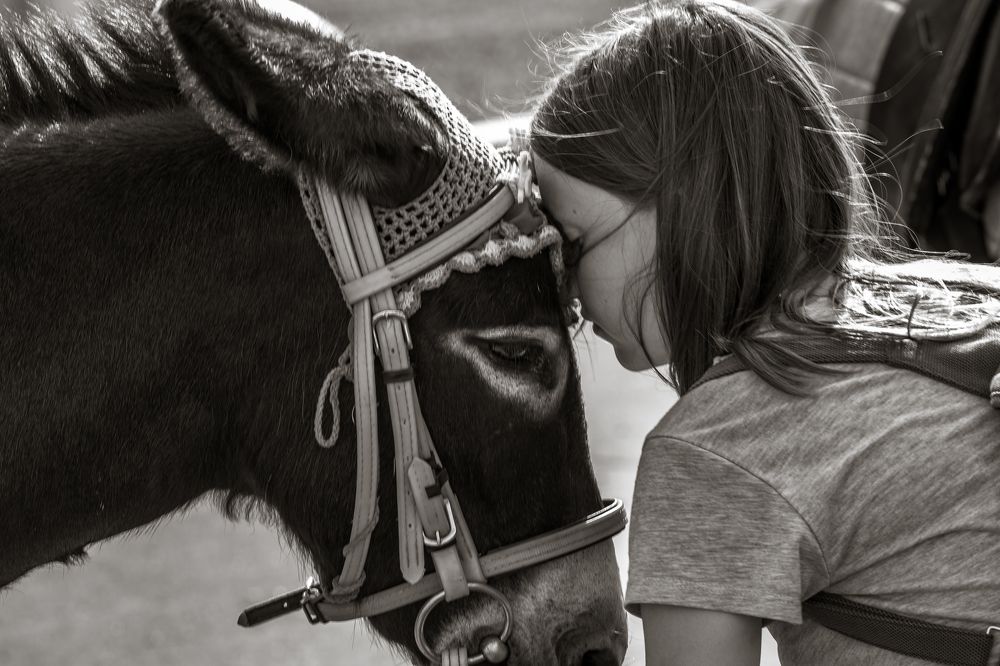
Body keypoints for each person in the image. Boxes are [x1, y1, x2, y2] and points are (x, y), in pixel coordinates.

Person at [524, 1, 1000, 664]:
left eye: (573, 247)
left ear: (691, 203)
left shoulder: (715, 451)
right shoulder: (975, 295)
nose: (567, 297)